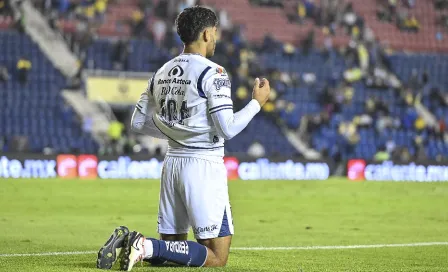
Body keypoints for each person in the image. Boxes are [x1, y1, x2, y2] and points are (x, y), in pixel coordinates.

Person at [96, 6, 271, 270]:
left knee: (172, 254)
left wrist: (175, 131)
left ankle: (137, 246)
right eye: (214, 33)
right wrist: (257, 104)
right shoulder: (215, 73)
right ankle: (142, 245)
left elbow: (138, 122)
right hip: (203, 166)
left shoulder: (161, 73)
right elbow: (227, 129)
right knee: (216, 256)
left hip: (172, 165)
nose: (215, 38)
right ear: (205, 33)